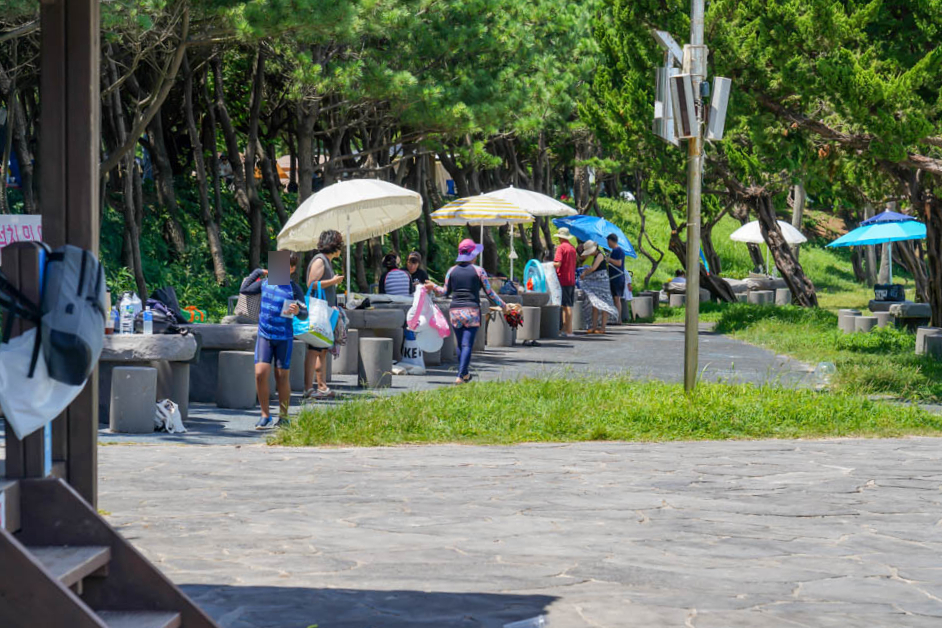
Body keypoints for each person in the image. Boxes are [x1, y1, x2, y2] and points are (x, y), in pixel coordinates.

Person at [240, 253, 308, 429]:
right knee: (260, 373)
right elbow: (245, 288)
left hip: (284, 338)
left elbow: (305, 313)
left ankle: (283, 416)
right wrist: (258, 271)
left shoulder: (294, 289)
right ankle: (265, 415)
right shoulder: (265, 283)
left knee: (281, 377)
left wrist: (297, 312)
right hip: (265, 335)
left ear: (292, 269)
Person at [426, 239, 508, 385]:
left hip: (455, 311)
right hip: (471, 311)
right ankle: (459, 375)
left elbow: (444, 292)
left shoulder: (451, 271)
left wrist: (433, 286)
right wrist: (503, 305)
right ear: (472, 255)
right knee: (467, 345)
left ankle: (464, 375)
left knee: (460, 345)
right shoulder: (478, 271)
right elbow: (489, 293)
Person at [304, 230, 345, 400]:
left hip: (326, 312)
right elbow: (311, 284)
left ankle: (322, 386)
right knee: (314, 350)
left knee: (322, 350)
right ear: (335, 246)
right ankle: (308, 388)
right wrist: (334, 282)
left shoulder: (325, 260)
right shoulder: (320, 260)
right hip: (319, 312)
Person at [579, 240, 619, 335]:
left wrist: (585, 273)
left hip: (602, 284)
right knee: (595, 305)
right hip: (597, 283)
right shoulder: (596, 256)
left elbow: (594, 268)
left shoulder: (600, 255)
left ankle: (603, 328)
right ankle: (594, 326)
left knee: (604, 305)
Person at [552, 227, 578, 337]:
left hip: (563, 279)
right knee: (567, 305)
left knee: (566, 305)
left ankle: (569, 330)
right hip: (571, 278)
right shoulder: (572, 248)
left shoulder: (561, 248)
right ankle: (564, 329)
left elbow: (558, 263)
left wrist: (548, 264)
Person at [605, 233, 627, 323]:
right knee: (615, 298)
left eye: (608, 241)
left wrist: (609, 259)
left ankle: (618, 319)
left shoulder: (618, 250)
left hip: (617, 277)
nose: (607, 244)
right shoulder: (614, 251)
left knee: (617, 299)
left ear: (611, 240)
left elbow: (618, 263)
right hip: (614, 277)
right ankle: (616, 317)